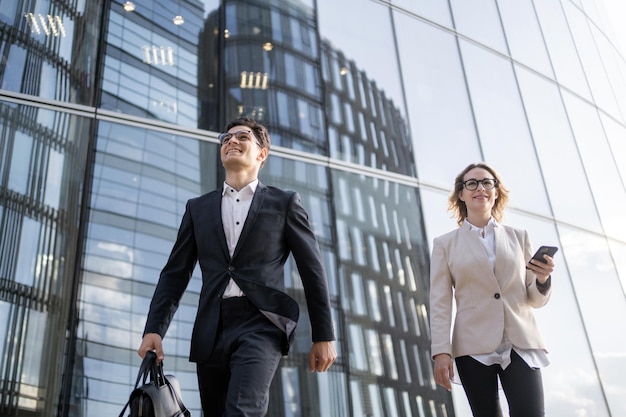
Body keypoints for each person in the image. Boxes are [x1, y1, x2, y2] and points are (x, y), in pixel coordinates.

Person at [137, 117, 337, 417]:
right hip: (211, 328)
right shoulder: (197, 208)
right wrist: (154, 328)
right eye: (225, 138)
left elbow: (312, 270)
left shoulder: (284, 203)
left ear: (261, 153)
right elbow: (175, 273)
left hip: (261, 322)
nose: (231, 141)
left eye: (242, 136)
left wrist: (324, 335)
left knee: (243, 411)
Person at [429, 162, 555, 417]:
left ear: (496, 192)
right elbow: (440, 302)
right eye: (472, 183)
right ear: (461, 194)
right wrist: (441, 352)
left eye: (487, 182)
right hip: (473, 346)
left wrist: (542, 280)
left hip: (520, 340)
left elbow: (534, 297)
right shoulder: (444, 245)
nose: (480, 188)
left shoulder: (519, 236)